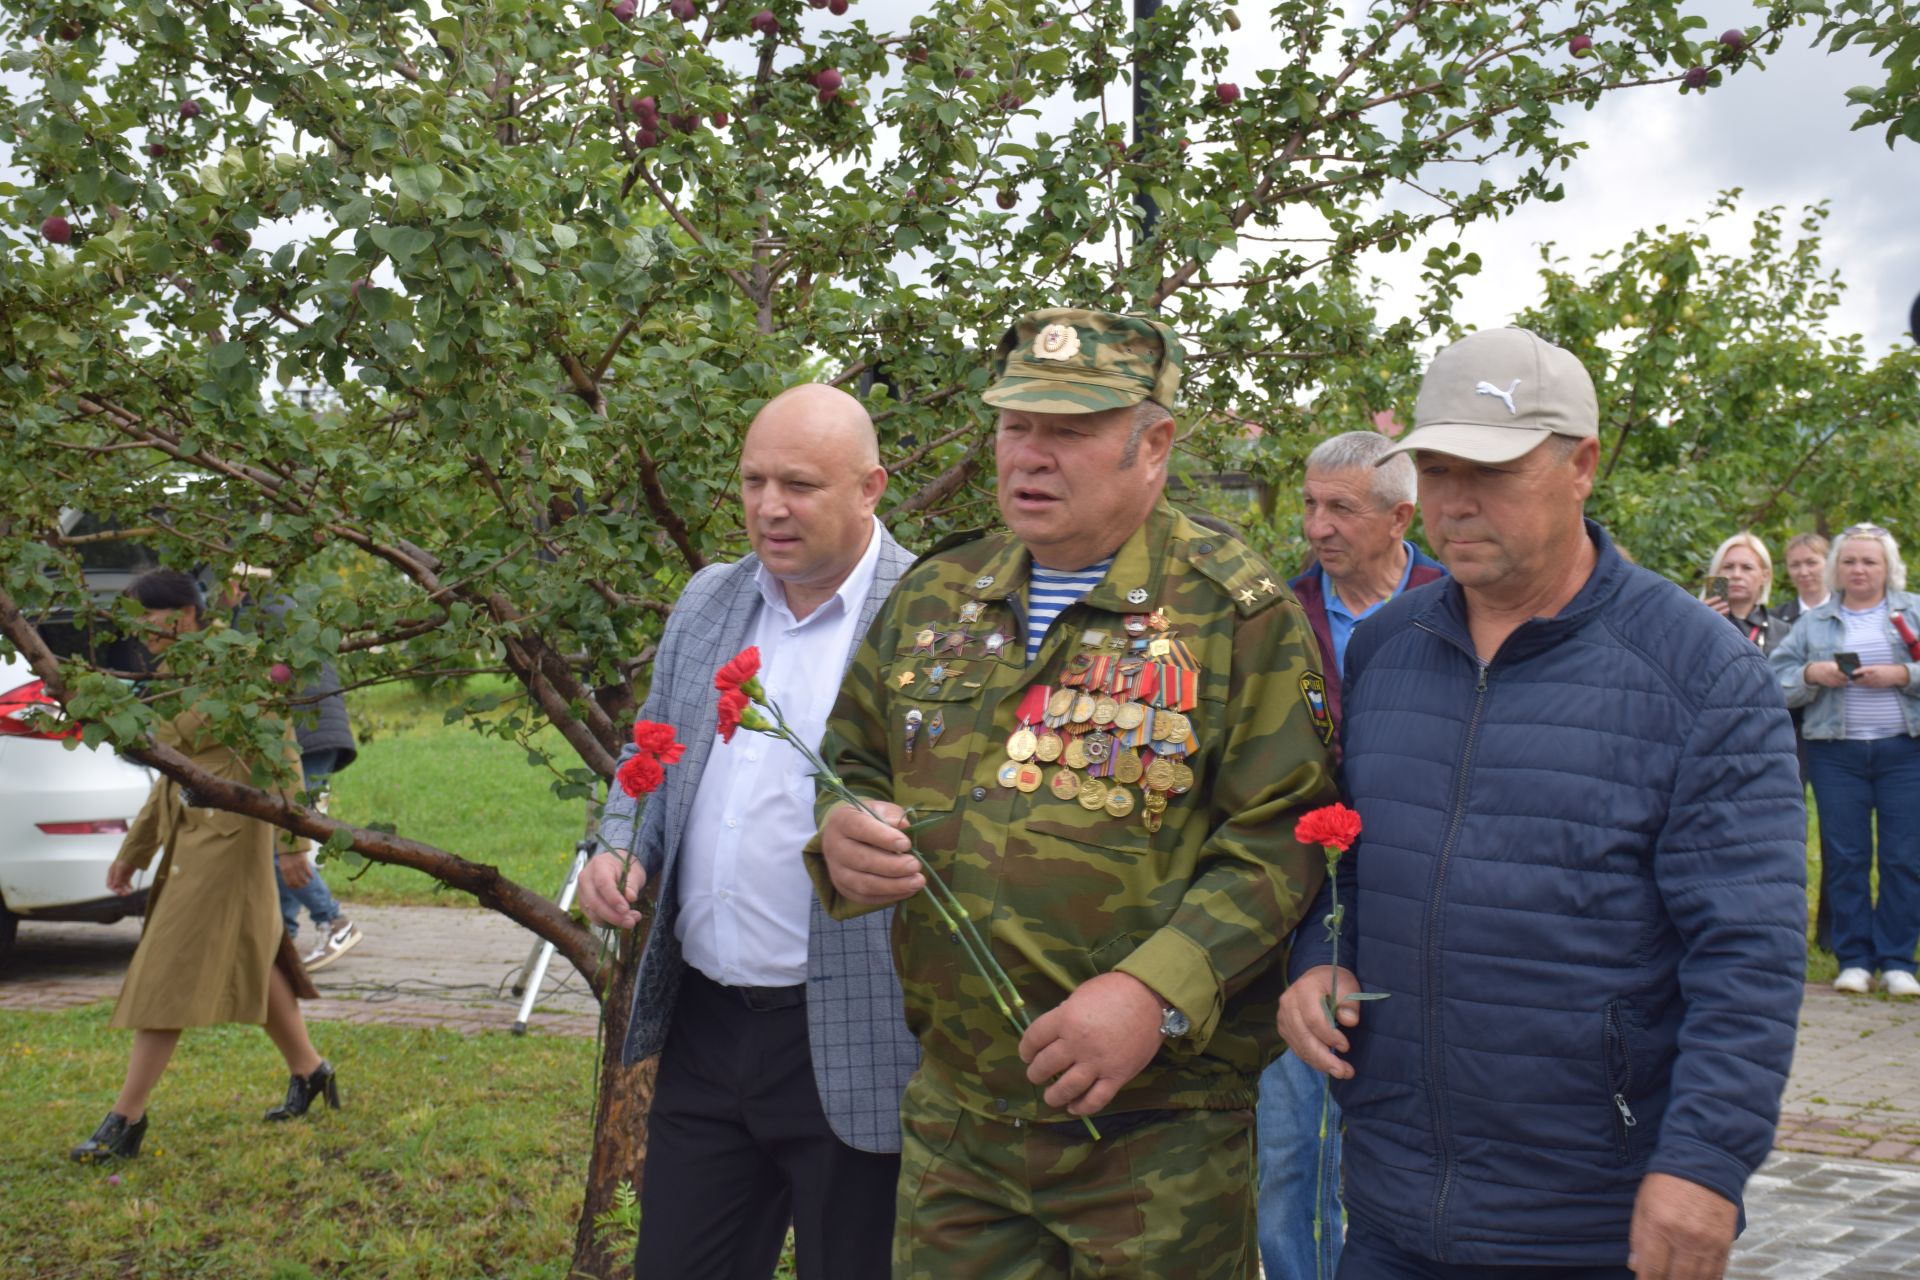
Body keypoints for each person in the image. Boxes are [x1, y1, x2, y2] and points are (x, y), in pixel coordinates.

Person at [810, 308, 1338, 1278]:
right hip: (960, 1125)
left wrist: (1155, 987)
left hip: (1154, 1141)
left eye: (1072, 430)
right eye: (1017, 425)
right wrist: (841, 829)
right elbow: (852, 757)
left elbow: (1284, 835)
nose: (1032, 456)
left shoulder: (1232, 612)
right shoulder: (939, 594)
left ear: (1156, 443)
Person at [1277, 327, 1806, 1280]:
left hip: (1590, 1217)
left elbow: (1749, 951)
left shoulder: (1700, 673)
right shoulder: (1387, 648)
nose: (1456, 501)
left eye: (1494, 470)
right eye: (1435, 470)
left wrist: (1705, 1162)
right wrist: (1323, 956)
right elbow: (1350, 854)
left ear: (1582, 466)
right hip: (1392, 1206)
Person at [578, 384, 918, 1279]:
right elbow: (646, 752)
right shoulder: (709, 600)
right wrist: (618, 844)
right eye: (753, 480)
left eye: (800, 485)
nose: (770, 507)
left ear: (870, 488)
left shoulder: (932, 619)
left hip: (857, 1030)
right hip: (708, 1027)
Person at [71, 569, 337, 1163]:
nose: (138, 632)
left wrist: (294, 843)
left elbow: (281, 749)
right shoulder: (172, 673)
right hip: (190, 837)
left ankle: (126, 1119)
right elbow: (173, 770)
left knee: (167, 969)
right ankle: (312, 1070)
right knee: (258, 954)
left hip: (231, 842)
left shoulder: (233, 664)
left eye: (145, 618)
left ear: (180, 615)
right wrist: (134, 851)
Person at [1261, 430, 1446, 1280]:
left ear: (1400, 515)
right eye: (1309, 504)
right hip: (1297, 914)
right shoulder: (1274, 613)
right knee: (1291, 1150)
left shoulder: (1459, 604)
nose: (1317, 526)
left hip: (1425, 916)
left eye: (1341, 508)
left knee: (1403, 1154)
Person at [1769, 524, 1920, 998]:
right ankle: (1854, 959)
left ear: (1887, 567)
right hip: (1836, 754)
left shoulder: (1913, 611)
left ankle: (1898, 961)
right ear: (1837, 567)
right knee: (1846, 858)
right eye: (1850, 561)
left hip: (1904, 750)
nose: (1859, 569)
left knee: (1903, 857)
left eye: (1869, 561)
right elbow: (1776, 678)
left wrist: (1902, 674)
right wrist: (1813, 673)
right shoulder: (1813, 624)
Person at [223, 565, 363, 971]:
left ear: (240, 582)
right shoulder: (287, 606)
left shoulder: (259, 614)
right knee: (286, 833)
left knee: (282, 837)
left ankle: (333, 919)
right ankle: (280, 936)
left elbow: (264, 678)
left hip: (302, 737)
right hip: (314, 735)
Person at [1776, 532, 1835, 953]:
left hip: (1836, 735)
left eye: (1811, 563)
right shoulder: (1778, 619)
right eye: (1795, 565)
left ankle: (1831, 934)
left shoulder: (1849, 614)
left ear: (1827, 564)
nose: (1803, 571)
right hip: (1789, 733)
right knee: (1788, 832)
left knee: (1838, 840)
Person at [1700, 533, 1787, 655]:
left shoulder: (1782, 632)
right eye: (1728, 567)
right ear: (1717, 573)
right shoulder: (1696, 623)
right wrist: (1701, 628)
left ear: (1765, 576)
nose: (1736, 575)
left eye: (1747, 568)